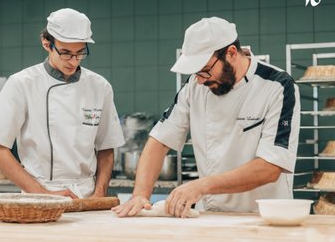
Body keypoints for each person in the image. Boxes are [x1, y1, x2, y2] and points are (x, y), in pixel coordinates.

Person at [113, 17, 300, 217]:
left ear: (231, 53)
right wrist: (140, 194)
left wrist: (201, 186)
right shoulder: (194, 87)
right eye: (195, 73)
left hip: (264, 217)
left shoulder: (277, 86)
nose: (200, 81)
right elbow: (159, 140)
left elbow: (270, 167)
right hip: (211, 216)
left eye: (205, 71)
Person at [0, 8, 125, 199]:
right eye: (65, 53)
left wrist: (99, 193)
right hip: (39, 195)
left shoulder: (99, 86)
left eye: (80, 53)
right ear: (46, 44)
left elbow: (106, 147)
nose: (74, 61)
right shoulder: (22, 83)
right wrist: (44, 194)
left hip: (87, 196)